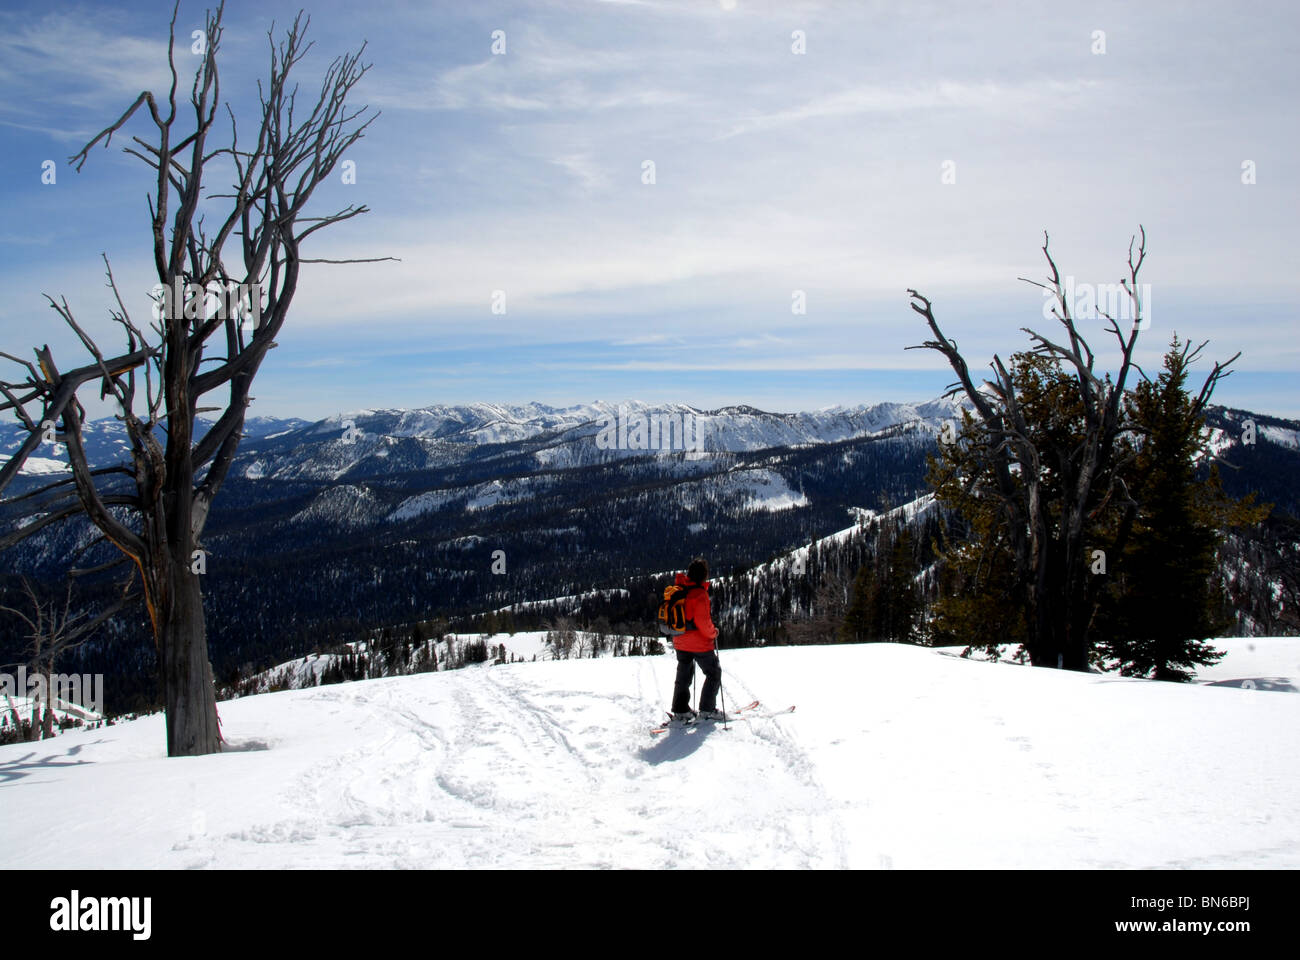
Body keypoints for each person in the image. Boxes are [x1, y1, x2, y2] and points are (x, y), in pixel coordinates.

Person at [669, 557, 723, 721]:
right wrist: (714, 633)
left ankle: (680, 710)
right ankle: (707, 709)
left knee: (684, 673)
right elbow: (703, 623)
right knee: (713, 672)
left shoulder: (679, 590)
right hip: (699, 644)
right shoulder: (699, 594)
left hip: (679, 640)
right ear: (704, 576)